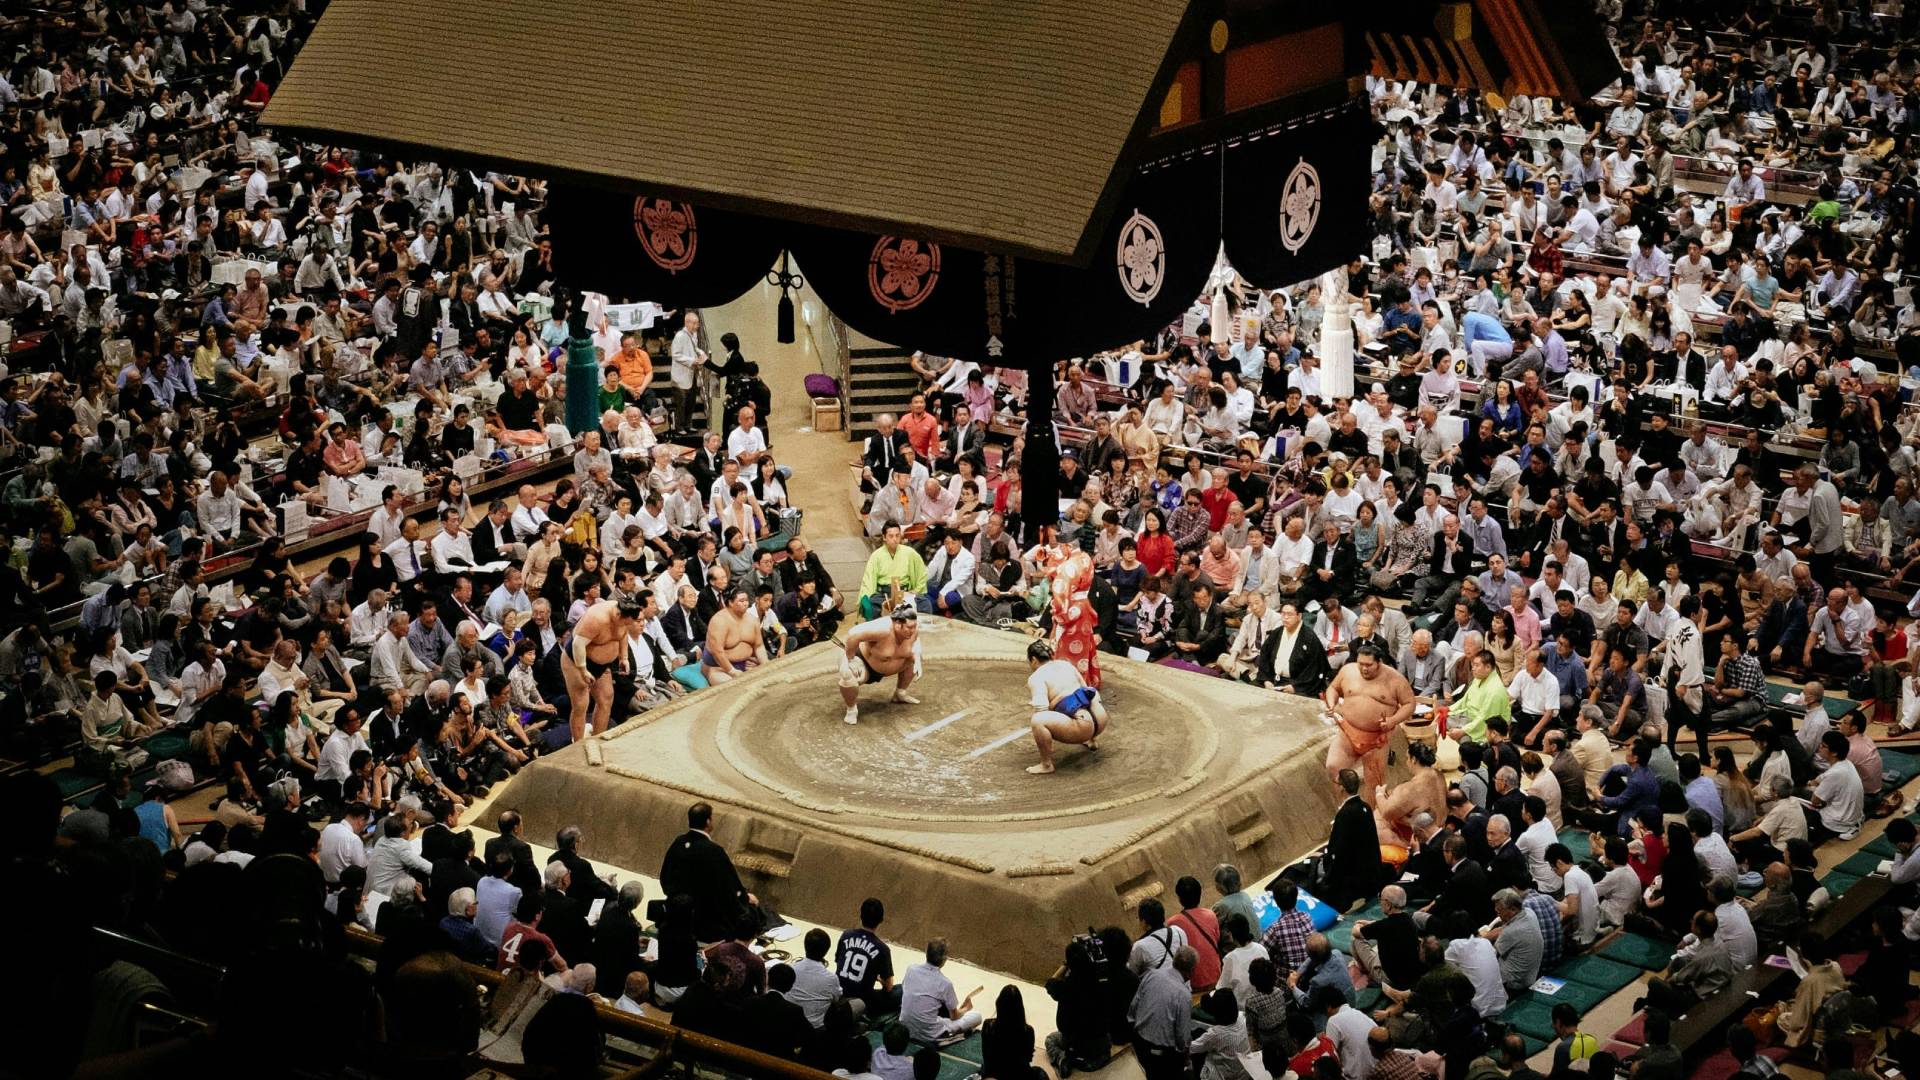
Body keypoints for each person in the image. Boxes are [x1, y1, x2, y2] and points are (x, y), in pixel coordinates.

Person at [1322, 643, 1415, 800]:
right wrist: (1331, 704)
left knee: (1374, 782)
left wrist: (1392, 721)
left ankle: (1370, 818)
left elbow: (1409, 704)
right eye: (1361, 664)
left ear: (1379, 662)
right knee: (1333, 767)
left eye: (1368, 665)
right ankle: (1345, 808)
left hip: (1376, 739)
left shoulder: (1395, 679)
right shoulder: (1348, 670)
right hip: (1348, 732)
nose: (1364, 668)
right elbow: (1333, 688)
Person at [658, 801, 757, 943]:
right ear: (708, 821)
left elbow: (664, 878)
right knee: (753, 909)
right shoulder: (714, 851)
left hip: (677, 914)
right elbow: (730, 888)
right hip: (708, 920)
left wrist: (678, 900)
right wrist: (745, 899)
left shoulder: (678, 842)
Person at [1023, 639, 1111, 775]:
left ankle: (1046, 765)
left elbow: (1041, 709)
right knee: (1083, 696)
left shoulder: (1036, 677)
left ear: (1034, 660)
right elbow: (1086, 688)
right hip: (1101, 720)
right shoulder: (1065, 664)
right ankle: (1092, 741)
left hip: (1082, 728)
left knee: (1038, 720)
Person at [561, 598, 639, 741]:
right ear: (617, 616)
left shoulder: (625, 616)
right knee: (581, 704)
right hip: (577, 661)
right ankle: (578, 744)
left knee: (606, 698)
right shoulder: (596, 617)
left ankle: (598, 739)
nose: (626, 626)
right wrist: (583, 670)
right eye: (625, 623)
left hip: (603, 665)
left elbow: (623, 634)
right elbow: (578, 645)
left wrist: (623, 657)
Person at [839, 602, 923, 725]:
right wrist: (850, 659)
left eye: (914, 626)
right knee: (847, 675)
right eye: (909, 628)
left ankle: (900, 694)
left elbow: (916, 642)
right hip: (865, 664)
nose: (913, 630)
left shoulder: (912, 629)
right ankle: (851, 709)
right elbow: (853, 634)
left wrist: (917, 658)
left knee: (913, 657)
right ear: (898, 625)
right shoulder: (881, 629)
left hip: (890, 663)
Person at [900, 938, 982, 1045]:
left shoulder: (911, 969)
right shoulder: (945, 983)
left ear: (927, 952)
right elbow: (954, 1017)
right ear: (944, 960)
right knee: (977, 1016)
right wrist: (966, 1008)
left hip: (904, 1027)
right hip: (929, 1035)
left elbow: (904, 989)